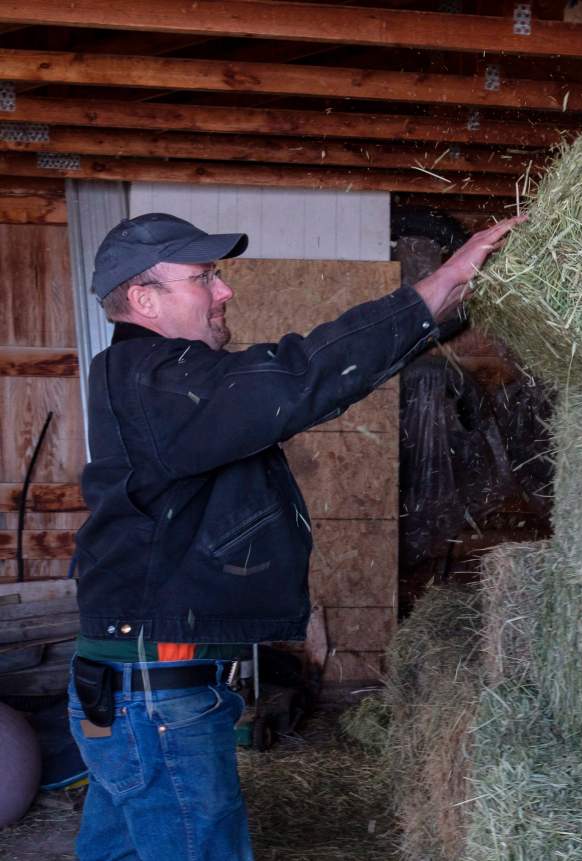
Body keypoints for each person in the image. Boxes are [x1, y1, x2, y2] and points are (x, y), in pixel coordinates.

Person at [67, 211, 523, 861]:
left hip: (130, 687)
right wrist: (435, 287)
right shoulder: (157, 381)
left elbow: (295, 385)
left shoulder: (152, 380)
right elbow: (294, 378)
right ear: (144, 298)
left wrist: (439, 313)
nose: (223, 290)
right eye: (202, 278)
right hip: (152, 695)